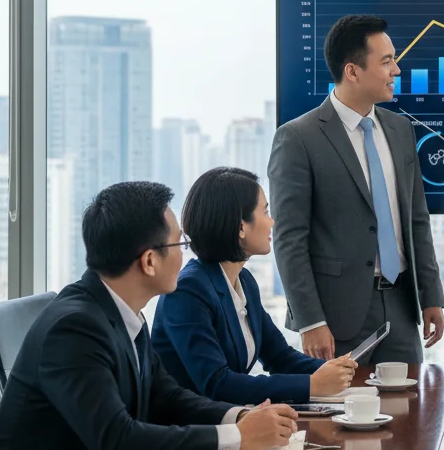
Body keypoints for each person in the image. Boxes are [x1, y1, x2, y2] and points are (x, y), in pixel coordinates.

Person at [0, 182, 299, 450]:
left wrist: (239, 417)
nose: (186, 254)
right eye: (180, 243)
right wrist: (237, 437)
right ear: (149, 261)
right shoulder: (74, 328)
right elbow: (118, 442)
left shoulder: (121, 312)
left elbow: (166, 396)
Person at [268, 14, 444, 364]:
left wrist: (432, 297)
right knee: (339, 416)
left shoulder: (400, 130)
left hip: (401, 306)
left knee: (409, 412)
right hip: (335, 319)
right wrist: (310, 321)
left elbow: (417, 220)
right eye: (386, 61)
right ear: (352, 71)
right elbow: (289, 238)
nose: (396, 70)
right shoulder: (298, 138)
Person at [152, 167, 357, 405]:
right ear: (241, 226)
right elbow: (218, 384)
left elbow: (280, 357)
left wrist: (335, 368)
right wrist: (313, 384)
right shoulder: (188, 291)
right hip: (189, 430)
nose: (272, 222)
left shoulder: (245, 281)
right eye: (265, 211)